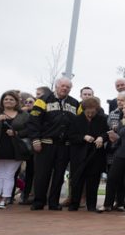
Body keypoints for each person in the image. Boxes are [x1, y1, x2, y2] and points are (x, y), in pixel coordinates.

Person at [27, 77, 78, 211]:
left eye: (68, 87)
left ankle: (54, 202)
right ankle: (39, 201)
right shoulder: (43, 100)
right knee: (42, 174)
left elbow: (79, 123)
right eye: (62, 86)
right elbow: (34, 121)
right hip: (45, 144)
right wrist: (35, 139)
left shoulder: (75, 103)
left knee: (59, 175)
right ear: (56, 86)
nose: (65, 88)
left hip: (65, 145)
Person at [68, 96, 108, 212]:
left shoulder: (102, 120)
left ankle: (91, 205)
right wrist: (83, 137)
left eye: (93, 112)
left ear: (97, 110)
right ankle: (74, 204)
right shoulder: (76, 120)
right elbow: (71, 136)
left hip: (95, 155)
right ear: (84, 109)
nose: (90, 114)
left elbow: (106, 133)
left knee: (93, 181)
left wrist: (101, 137)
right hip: (78, 155)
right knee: (77, 180)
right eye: (88, 112)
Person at [102, 90, 125, 211]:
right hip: (113, 150)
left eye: (122, 100)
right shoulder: (113, 113)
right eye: (118, 100)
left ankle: (120, 203)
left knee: (123, 179)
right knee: (112, 177)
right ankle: (108, 203)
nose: (119, 102)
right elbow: (108, 127)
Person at [17, 93, 37, 205]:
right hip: (21, 146)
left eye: (31, 102)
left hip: (33, 147)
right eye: (26, 102)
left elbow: (31, 129)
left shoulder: (37, 115)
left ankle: (28, 195)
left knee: (31, 172)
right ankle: (11, 196)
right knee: (17, 172)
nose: (28, 104)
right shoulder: (21, 114)